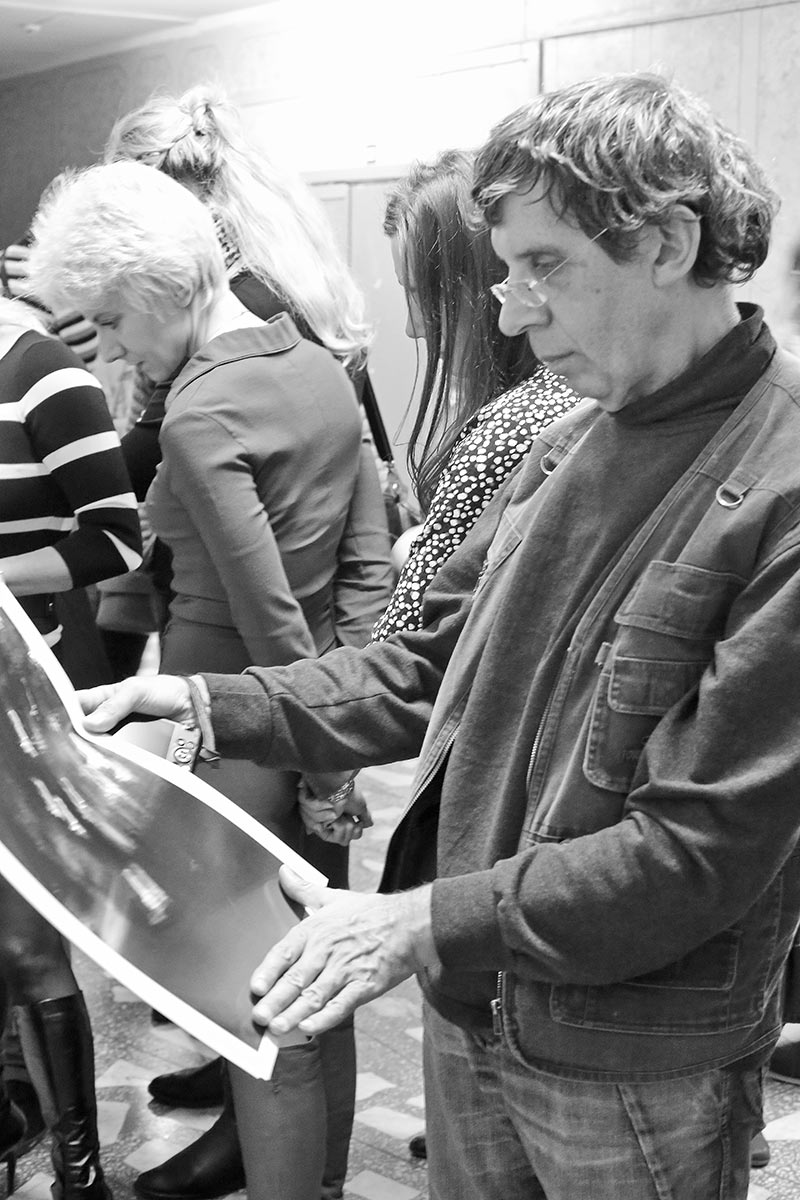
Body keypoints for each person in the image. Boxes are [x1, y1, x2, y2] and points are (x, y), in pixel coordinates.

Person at [75, 71, 800, 1199]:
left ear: (667, 242)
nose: (510, 312)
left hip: (630, 1056)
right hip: (475, 996)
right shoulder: (567, 438)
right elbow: (426, 665)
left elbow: (694, 852)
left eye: (544, 265)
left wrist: (411, 922)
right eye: (505, 271)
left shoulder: (779, 487)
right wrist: (210, 701)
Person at [26, 159, 381, 1200]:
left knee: (259, 1016)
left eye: (110, 320)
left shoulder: (198, 410)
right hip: (317, 715)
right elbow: (367, 565)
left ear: (157, 282)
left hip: (237, 731)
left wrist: (311, 753)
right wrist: (342, 736)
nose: (113, 350)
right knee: (321, 982)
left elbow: (263, 609)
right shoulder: (318, 364)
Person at [0, 294, 141, 1200]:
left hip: (14, 697)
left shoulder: (38, 369)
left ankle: (79, 1175)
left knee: (26, 945)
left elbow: (117, 543)